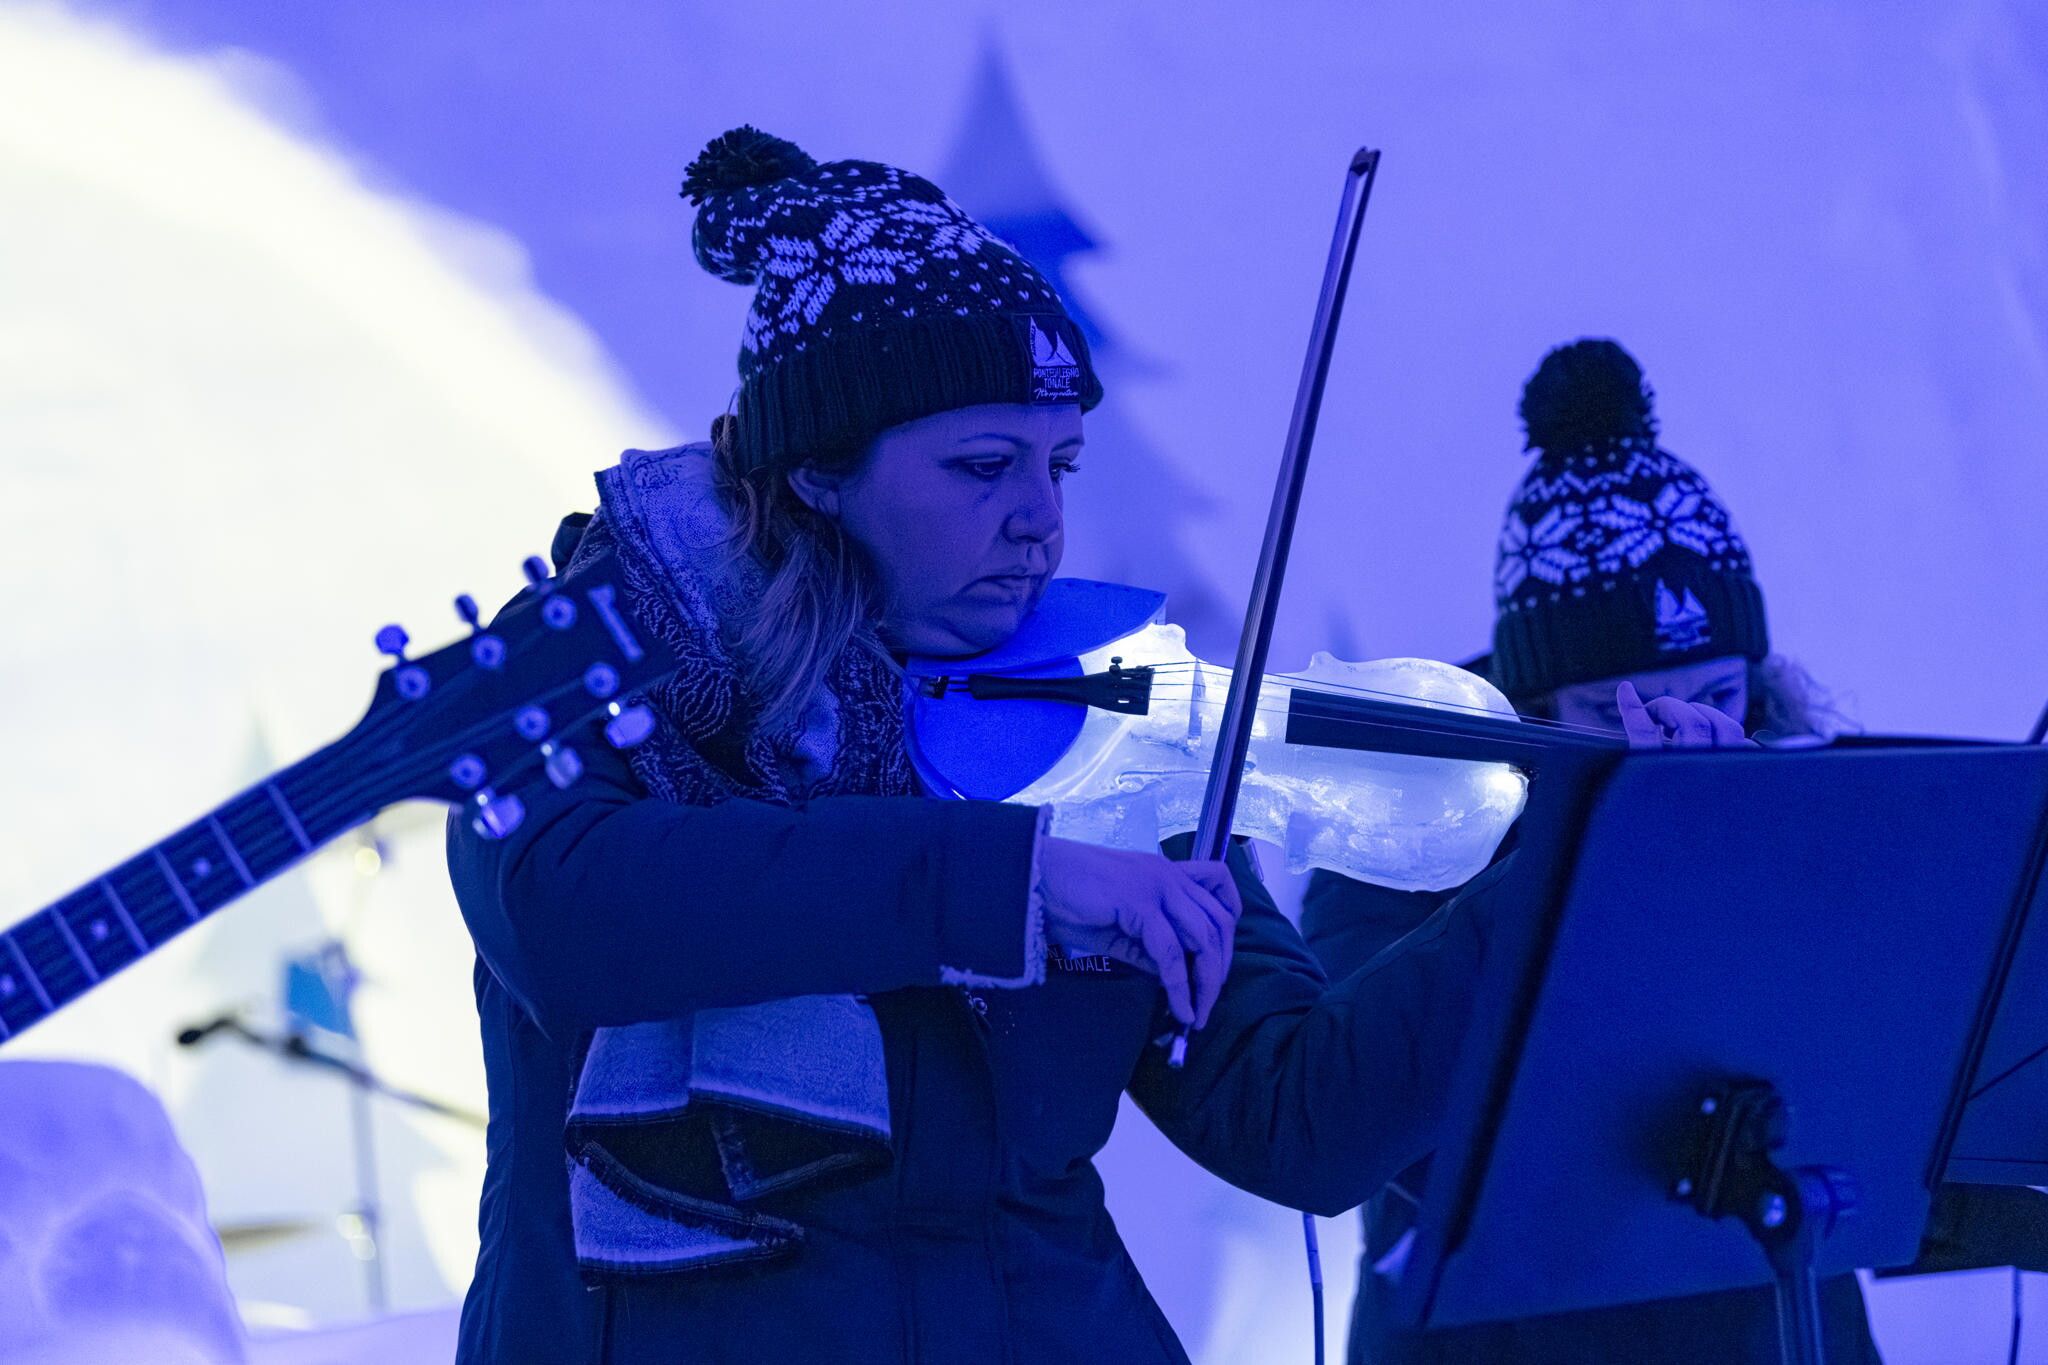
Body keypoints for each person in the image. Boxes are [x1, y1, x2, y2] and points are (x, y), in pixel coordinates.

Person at [445, 130, 1732, 1365]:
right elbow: (564, 902)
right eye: (981, 466)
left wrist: (1574, 860)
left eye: (1059, 465)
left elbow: (1298, 1124)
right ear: (818, 469)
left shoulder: (1100, 725)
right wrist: (1012, 880)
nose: (1039, 526)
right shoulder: (603, 646)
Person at [1302, 338, 1876, 1364]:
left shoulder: (1806, 805)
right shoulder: (1394, 823)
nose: (1685, 736)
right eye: (1618, 715)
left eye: (1716, 697)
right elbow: (1371, 1127)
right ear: (1533, 707)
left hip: (1764, 1324)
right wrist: (1613, 862)